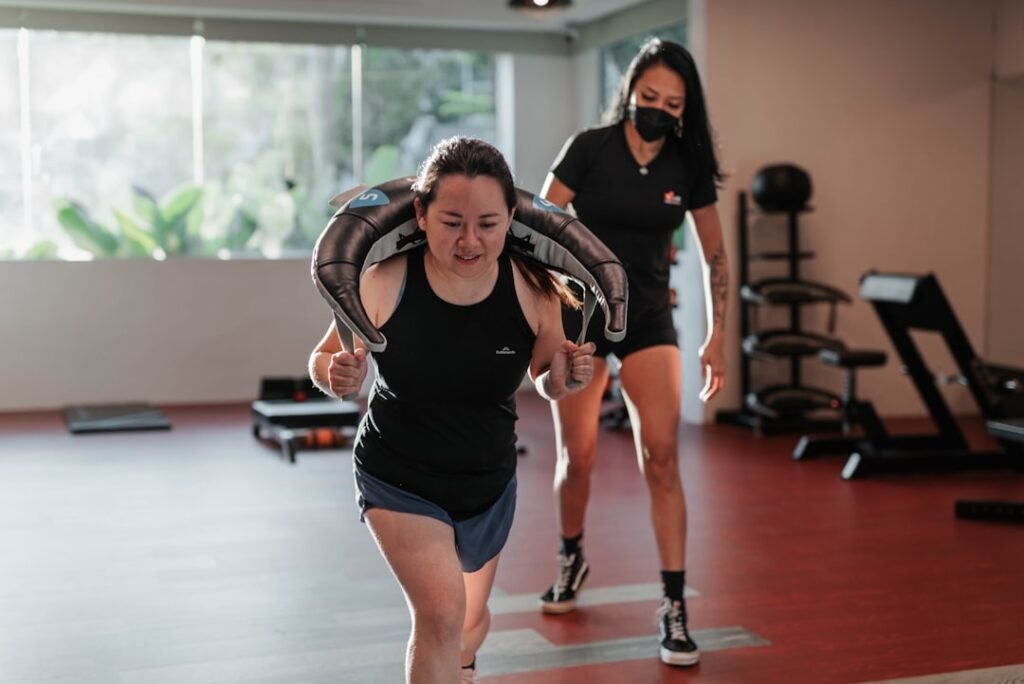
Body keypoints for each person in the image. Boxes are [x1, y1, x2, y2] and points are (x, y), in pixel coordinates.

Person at [309, 136, 597, 684]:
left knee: (468, 624)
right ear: (420, 213)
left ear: (511, 217)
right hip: (399, 475)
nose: (470, 240)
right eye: (451, 222)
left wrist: (565, 377)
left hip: (487, 481)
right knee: (440, 616)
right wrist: (335, 374)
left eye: (488, 224)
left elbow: (545, 377)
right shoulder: (383, 280)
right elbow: (325, 358)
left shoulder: (533, 290)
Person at [537, 38, 729, 667]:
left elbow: (714, 255)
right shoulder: (588, 149)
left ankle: (674, 604)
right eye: (649, 97)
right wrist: (547, 321)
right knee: (580, 457)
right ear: (630, 92)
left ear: (685, 108)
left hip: (648, 318)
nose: (658, 109)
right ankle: (571, 557)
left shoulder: (687, 164)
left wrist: (717, 333)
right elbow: (536, 229)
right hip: (580, 321)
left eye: (672, 103)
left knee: (664, 457)